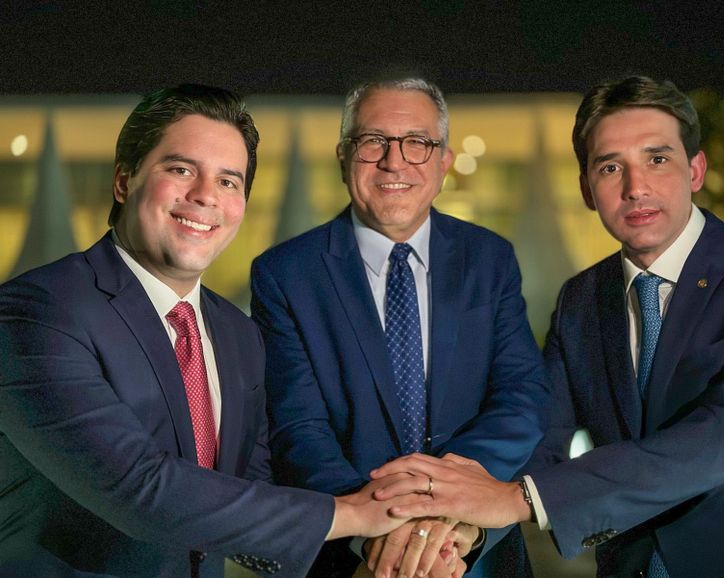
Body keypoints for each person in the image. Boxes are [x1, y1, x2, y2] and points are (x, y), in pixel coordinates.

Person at [0, 84, 424, 578]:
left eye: (229, 181)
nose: (205, 196)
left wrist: (377, 552)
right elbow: (141, 490)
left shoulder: (238, 334)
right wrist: (353, 514)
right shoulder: (37, 312)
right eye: (181, 170)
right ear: (123, 180)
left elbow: (251, 494)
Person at [371, 75, 724, 578]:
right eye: (610, 167)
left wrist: (516, 499)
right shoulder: (582, 299)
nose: (635, 186)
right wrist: (465, 528)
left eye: (658, 158)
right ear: (586, 188)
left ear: (696, 169)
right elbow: (542, 434)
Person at [250, 76, 550, 578]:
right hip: (352, 556)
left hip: (472, 553)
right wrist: (379, 527)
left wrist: (450, 505)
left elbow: (523, 396)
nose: (394, 161)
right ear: (344, 156)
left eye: (418, 143)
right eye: (373, 142)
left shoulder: (490, 260)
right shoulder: (285, 274)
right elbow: (297, 425)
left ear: (443, 162)